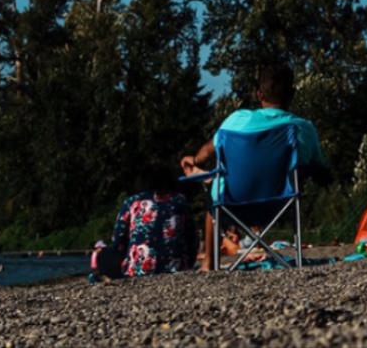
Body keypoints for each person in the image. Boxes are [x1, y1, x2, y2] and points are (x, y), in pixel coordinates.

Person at [180, 61, 330, 261]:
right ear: (292, 94)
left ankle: (209, 263)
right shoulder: (303, 128)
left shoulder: (236, 120)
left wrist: (195, 159)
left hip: (232, 205)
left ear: (259, 95)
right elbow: (320, 171)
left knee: (214, 195)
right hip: (280, 206)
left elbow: (210, 149)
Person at [104, 161, 198, 279]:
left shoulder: (132, 202)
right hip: (177, 268)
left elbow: (118, 240)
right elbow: (192, 237)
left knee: (102, 257)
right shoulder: (180, 201)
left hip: (138, 270)